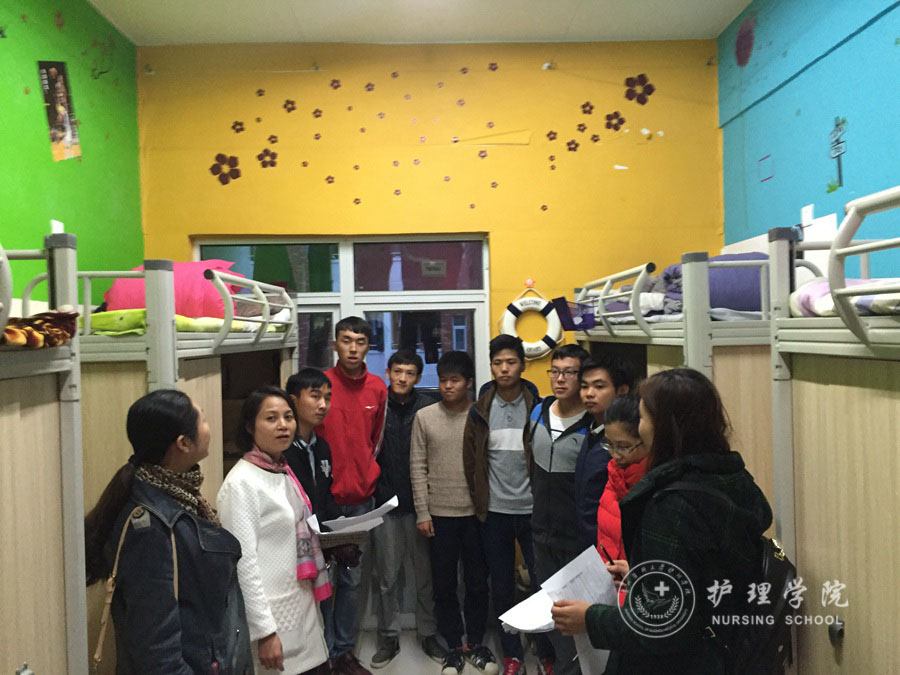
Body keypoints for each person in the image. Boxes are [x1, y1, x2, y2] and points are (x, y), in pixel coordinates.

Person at [551, 368, 773, 674]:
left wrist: (590, 618)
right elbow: (702, 572)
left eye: (643, 418)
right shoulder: (729, 477)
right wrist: (644, 573)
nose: (639, 427)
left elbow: (663, 625)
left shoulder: (671, 504)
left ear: (667, 427)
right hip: (726, 646)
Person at [83, 389, 252, 674]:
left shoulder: (180, 496)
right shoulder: (149, 525)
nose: (209, 427)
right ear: (183, 443)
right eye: (203, 420)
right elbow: (157, 647)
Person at [217, 386, 330, 675]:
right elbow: (244, 564)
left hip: (302, 608)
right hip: (275, 621)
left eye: (288, 417)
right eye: (271, 418)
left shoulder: (282, 470)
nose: (283, 425)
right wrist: (265, 633)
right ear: (249, 426)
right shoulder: (241, 483)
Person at [464, 334, 553, 675]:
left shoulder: (540, 407)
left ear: (522, 365)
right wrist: (480, 501)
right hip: (495, 513)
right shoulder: (480, 410)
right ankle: (511, 653)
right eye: (498, 363)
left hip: (534, 511)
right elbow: (470, 461)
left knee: (543, 585)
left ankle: (546, 651)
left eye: (511, 362)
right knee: (501, 587)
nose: (504, 369)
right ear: (491, 366)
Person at [411, 351, 496, 675]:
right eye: (443, 380)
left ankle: (475, 642)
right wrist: (423, 512)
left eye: (455, 381)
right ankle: (453, 646)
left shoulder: (480, 416)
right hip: (439, 515)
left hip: (477, 515)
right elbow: (417, 466)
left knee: (477, 584)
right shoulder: (425, 417)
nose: (447, 386)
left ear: (468, 383)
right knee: (444, 586)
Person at [317, 316, 388, 675]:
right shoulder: (321, 386)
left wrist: (364, 474)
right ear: (335, 345)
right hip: (323, 502)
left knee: (351, 579)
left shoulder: (377, 388)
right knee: (321, 581)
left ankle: (343, 651)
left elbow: (376, 441)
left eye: (360, 342)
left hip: (361, 500)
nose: (353, 348)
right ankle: (322, 652)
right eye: (346, 340)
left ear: (367, 347)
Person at [370, 349, 444, 668]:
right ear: (387, 373)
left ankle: (428, 633)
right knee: (387, 577)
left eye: (410, 373)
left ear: (418, 377)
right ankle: (389, 636)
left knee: (425, 576)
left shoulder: (428, 407)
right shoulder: (377, 405)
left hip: (421, 505)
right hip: (384, 503)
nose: (402, 378)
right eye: (397, 372)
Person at [524, 344, 592, 675]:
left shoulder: (592, 424)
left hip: (577, 538)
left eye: (569, 373)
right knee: (549, 606)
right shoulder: (538, 411)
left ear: (582, 377)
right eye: (555, 371)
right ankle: (557, 663)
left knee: (574, 613)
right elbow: (530, 463)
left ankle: (572, 668)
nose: (560, 379)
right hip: (541, 530)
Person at [574, 354, 635, 553]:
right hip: (586, 542)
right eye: (584, 386)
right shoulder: (591, 429)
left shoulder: (627, 444)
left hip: (609, 549)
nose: (589, 393)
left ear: (622, 391)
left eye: (599, 386)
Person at [594, 394, 648, 602]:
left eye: (624, 447)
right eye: (609, 444)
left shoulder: (658, 486)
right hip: (609, 594)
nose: (616, 455)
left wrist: (636, 575)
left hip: (643, 599)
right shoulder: (613, 476)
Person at [284, 368, 340, 524]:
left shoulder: (322, 447)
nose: (323, 405)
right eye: (315, 396)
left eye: (327, 398)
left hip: (320, 532)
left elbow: (326, 496)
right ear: (293, 401)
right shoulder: (282, 450)